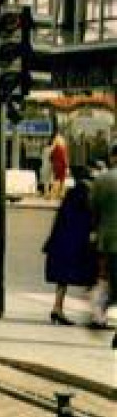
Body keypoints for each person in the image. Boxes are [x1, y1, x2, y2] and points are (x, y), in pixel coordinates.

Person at [42, 166, 97, 326]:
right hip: (80, 244)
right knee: (92, 277)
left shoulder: (70, 194)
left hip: (62, 241)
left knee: (62, 279)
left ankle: (57, 308)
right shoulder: (88, 195)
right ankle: (95, 314)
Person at [88, 147, 117, 344]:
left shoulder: (102, 180)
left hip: (107, 240)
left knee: (105, 278)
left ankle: (98, 315)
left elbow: (93, 208)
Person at [48, 134, 70, 200]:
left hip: (56, 166)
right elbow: (64, 158)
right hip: (62, 166)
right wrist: (67, 166)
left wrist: (54, 163)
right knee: (61, 181)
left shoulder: (54, 148)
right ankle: (57, 194)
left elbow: (50, 157)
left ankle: (56, 194)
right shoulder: (62, 148)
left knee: (57, 180)